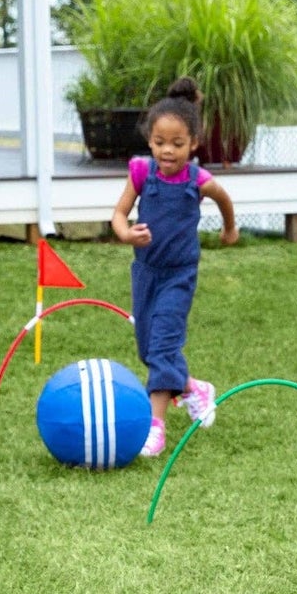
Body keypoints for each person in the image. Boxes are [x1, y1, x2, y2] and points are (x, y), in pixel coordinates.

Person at [109, 78, 238, 457]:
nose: (168, 151)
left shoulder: (197, 181)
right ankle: (193, 388)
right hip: (145, 271)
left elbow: (225, 198)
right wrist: (127, 234)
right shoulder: (140, 173)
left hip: (179, 275)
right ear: (150, 140)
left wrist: (230, 229)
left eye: (177, 144)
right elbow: (118, 214)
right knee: (149, 350)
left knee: (164, 344)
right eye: (161, 142)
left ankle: (155, 427)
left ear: (193, 144)